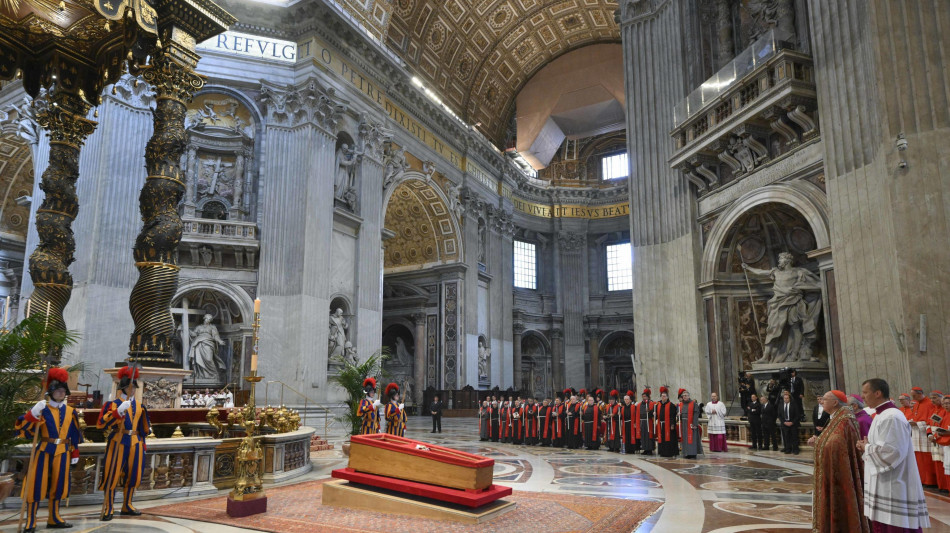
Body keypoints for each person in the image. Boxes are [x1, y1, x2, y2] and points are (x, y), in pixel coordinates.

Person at [858, 378, 930, 532]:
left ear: (877, 393)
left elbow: (893, 452)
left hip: (895, 483)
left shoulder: (892, 416)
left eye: (865, 392)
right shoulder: (881, 415)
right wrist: (867, 447)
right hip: (885, 481)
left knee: (896, 526)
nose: (862, 397)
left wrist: (867, 448)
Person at [16, 367, 83, 532]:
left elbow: (74, 434)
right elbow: (23, 430)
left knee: (59, 485)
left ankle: (54, 518)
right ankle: (31, 520)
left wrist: (74, 452)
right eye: (57, 390)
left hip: (63, 451)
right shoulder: (41, 408)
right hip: (44, 450)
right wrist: (32, 413)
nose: (60, 393)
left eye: (63, 390)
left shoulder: (70, 411)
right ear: (50, 391)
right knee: (36, 485)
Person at [807, 390, 868, 533]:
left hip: (841, 473)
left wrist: (821, 442)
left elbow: (837, 444)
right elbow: (830, 440)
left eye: (825, 399)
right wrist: (819, 441)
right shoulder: (835, 418)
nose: (822, 402)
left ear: (835, 403)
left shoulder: (845, 420)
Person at [97, 365, 151, 521]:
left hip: (136, 442)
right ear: (123, 388)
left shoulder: (140, 406)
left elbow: (144, 428)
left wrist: (143, 442)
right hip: (118, 442)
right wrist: (118, 412)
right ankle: (109, 506)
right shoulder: (112, 404)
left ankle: (127, 505)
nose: (132, 390)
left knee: (133, 475)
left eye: (134, 387)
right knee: (112, 474)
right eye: (129, 387)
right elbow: (101, 423)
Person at [908, 386, 938, 486]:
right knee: (919, 458)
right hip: (916, 435)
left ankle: (930, 481)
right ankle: (922, 479)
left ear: (920, 393)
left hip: (925, 434)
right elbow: (915, 416)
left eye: (914, 396)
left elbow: (930, 420)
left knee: (927, 459)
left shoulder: (929, 403)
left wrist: (918, 424)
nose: (913, 398)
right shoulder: (916, 404)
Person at [926, 391, 947, 492]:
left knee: (944, 463)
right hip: (934, 439)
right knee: (937, 462)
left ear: (941, 398)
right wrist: (929, 434)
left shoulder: (945, 411)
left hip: (943, 439)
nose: (932, 400)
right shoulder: (933, 410)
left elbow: (944, 427)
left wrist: (936, 435)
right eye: (931, 398)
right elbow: (928, 424)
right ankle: (941, 485)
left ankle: (946, 486)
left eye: (934, 398)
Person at [930, 395, 950, 493]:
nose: (946, 406)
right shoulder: (946, 415)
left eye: (948, 403)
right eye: (944, 404)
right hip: (947, 446)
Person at [655, 387, 678, 458]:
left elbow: (673, 416)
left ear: (667, 397)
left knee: (668, 439)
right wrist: (654, 414)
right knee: (661, 438)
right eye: (662, 396)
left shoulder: (671, 405)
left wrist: (672, 424)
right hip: (660, 424)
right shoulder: (658, 405)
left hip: (668, 425)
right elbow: (656, 415)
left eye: (664, 396)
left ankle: (669, 452)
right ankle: (662, 452)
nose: (663, 397)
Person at [680, 389, 703, 458]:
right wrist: (679, 415)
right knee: (685, 439)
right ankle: (686, 453)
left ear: (689, 396)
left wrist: (695, 424)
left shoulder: (693, 404)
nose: (684, 397)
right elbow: (681, 414)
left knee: (691, 439)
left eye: (686, 395)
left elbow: (696, 414)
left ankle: (692, 453)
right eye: (683, 396)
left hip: (691, 424)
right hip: (684, 424)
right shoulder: (681, 404)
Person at [778, 390, 801, 454]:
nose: (786, 399)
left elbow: (797, 415)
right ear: (783, 399)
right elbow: (779, 415)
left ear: (789, 398)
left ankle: (795, 449)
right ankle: (788, 449)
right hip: (784, 424)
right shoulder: (780, 405)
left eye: (787, 398)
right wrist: (784, 422)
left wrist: (792, 422)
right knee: (786, 437)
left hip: (793, 424)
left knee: (794, 437)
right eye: (785, 398)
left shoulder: (794, 404)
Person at [637, 388, 656, 455]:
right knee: (643, 435)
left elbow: (653, 413)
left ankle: (650, 449)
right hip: (642, 421)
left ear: (648, 397)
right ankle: (645, 448)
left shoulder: (652, 403)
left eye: (645, 396)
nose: (644, 398)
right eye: (643, 396)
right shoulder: (639, 404)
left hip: (649, 421)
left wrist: (649, 411)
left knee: (649, 435)